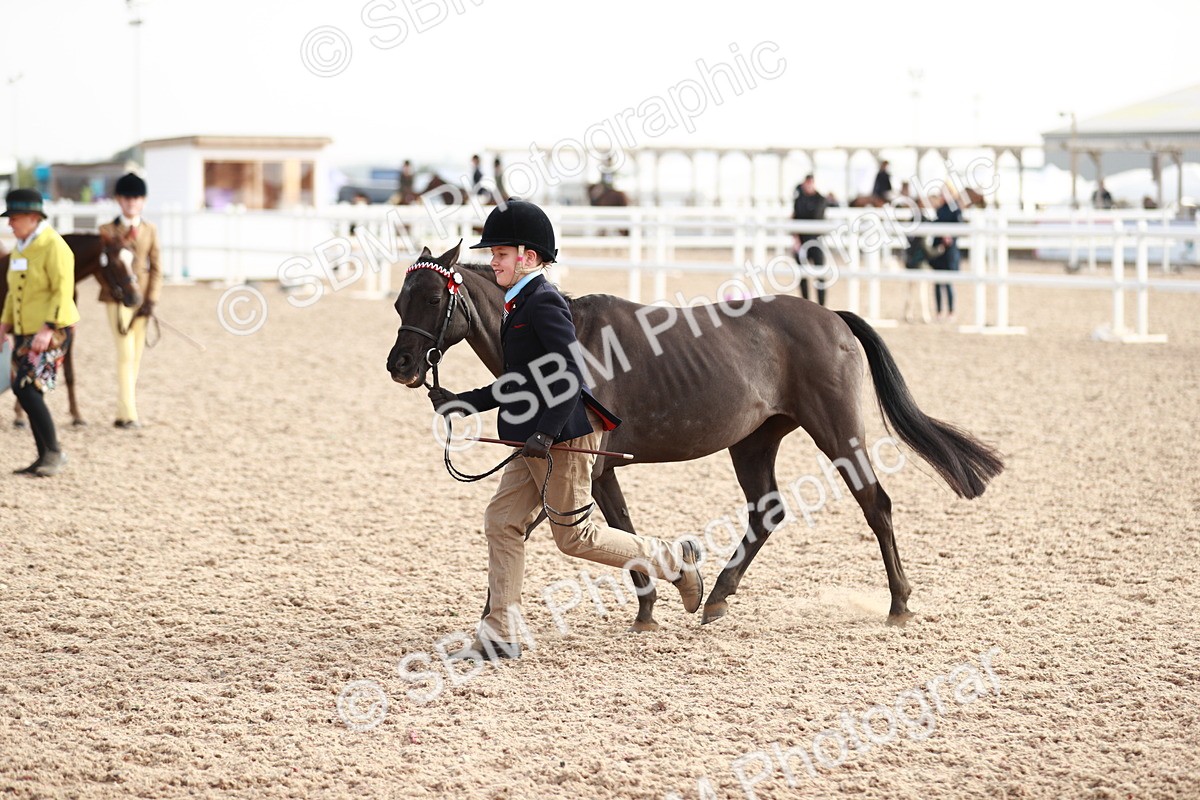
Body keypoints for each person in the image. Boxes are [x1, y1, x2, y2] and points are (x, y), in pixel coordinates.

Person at [426, 199, 703, 660]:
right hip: (531, 434)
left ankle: (674, 561)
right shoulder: (517, 303)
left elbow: (570, 374)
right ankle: (501, 635)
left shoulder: (544, 301)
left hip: (562, 435)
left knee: (576, 538)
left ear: (528, 258)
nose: (492, 261)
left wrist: (548, 433)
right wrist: (463, 403)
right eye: (492, 255)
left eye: (499, 254)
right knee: (503, 521)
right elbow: (522, 380)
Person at [1, 188, 80, 476]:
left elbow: (63, 290)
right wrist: (4, 325)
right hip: (25, 329)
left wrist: (48, 328)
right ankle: (44, 455)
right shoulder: (21, 247)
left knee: (25, 387)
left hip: (52, 330)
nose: (10, 223)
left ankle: (54, 453)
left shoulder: (54, 246)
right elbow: (12, 292)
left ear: (34, 218)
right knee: (27, 390)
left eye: (15, 218)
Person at [98, 173, 161, 429]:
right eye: (126, 198)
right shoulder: (106, 230)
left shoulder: (150, 230)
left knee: (135, 356)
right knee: (125, 353)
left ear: (143, 201)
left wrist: (152, 300)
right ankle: (129, 413)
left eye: (135, 198)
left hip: (142, 298)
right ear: (118, 200)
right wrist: (117, 291)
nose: (131, 203)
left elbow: (156, 267)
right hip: (116, 300)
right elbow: (101, 269)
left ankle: (123, 409)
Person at [791, 174, 828, 306]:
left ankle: (822, 304)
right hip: (802, 241)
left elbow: (816, 217)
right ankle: (805, 303)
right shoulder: (799, 199)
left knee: (820, 274)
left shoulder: (820, 199)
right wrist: (795, 240)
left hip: (815, 241)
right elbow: (794, 218)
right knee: (802, 275)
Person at [928, 188, 964, 321]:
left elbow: (959, 227)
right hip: (939, 250)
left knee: (948, 283)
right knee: (937, 283)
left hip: (950, 251)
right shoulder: (940, 209)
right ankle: (938, 311)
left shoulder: (956, 210)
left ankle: (951, 311)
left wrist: (950, 237)